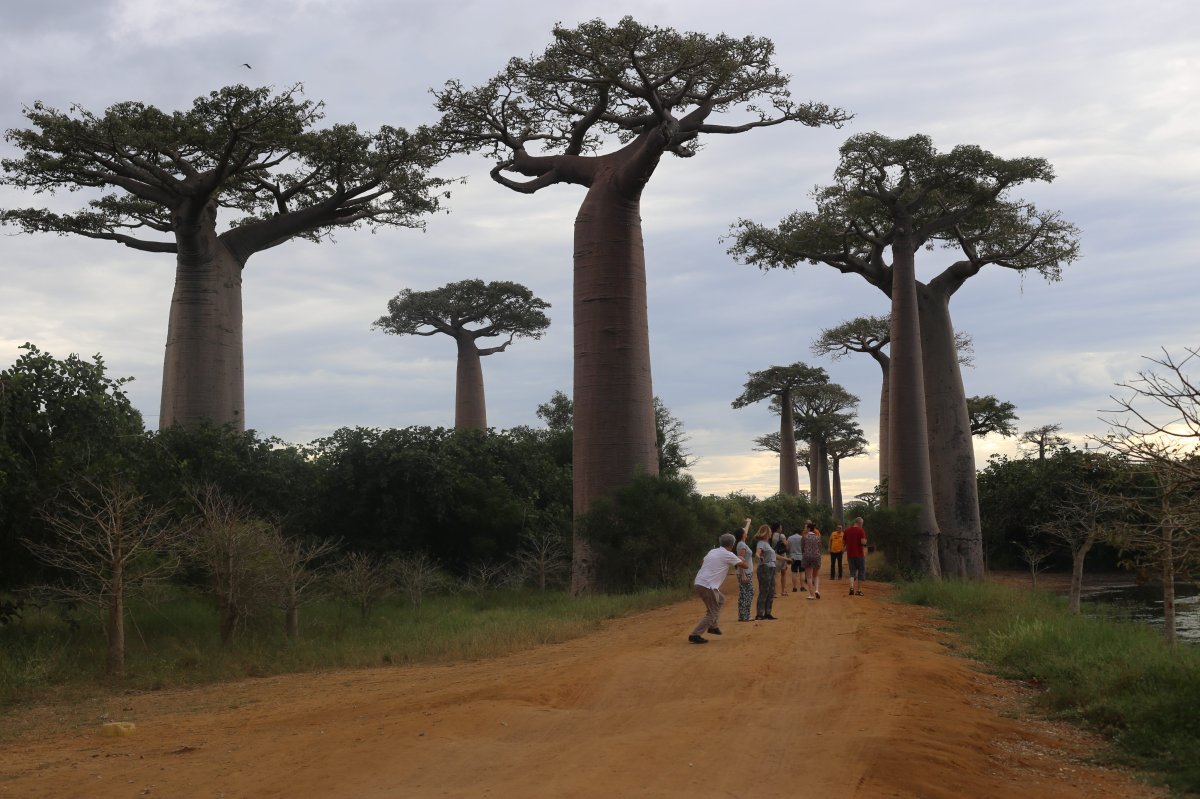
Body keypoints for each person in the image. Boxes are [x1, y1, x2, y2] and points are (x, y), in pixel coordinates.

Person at [688, 531, 750, 644]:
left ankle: (713, 625)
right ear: (732, 544)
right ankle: (695, 634)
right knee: (712, 611)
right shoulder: (729, 554)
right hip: (708, 585)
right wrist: (740, 558)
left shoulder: (713, 551)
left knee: (721, 599)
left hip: (700, 582)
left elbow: (703, 561)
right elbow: (745, 566)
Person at [754, 525, 779, 620]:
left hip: (771, 568)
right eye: (770, 531)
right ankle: (760, 614)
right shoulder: (761, 543)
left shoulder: (767, 543)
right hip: (765, 568)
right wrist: (759, 557)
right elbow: (757, 553)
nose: (771, 533)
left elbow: (774, 555)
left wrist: (786, 558)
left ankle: (768, 612)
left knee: (771, 590)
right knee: (764, 590)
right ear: (766, 532)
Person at [734, 518, 755, 622]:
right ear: (743, 535)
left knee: (744, 593)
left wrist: (748, 522)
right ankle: (745, 616)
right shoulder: (742, 545)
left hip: (744, 572)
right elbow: (740, 560)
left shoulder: (741, 543)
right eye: (745, 532)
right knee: (749, 592)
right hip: (745, 573)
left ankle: (742, 615)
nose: (746, 533)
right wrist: (743, 574)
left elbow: (744, 531)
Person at [844, 516, 868, 596]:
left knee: (852, 572)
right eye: (862, 524)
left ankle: (851, 587)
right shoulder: (861, 530)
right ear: (860, 523)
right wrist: (865, 541)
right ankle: (859, 590)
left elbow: (844, 542)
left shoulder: (847, 530)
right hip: (859, 554)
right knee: (861, 571)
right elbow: (863, 542)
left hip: (850, 554)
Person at [801, 521, 822, 599]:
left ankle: (811, 594)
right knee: (816, 575)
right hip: (816, 557)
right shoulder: (817, 537)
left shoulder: (804, 537)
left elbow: (802, 548)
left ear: (809, 528)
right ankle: (816, 590)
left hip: (807, 557)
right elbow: (820, 547)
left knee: (809, 577)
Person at [771, 522, 789, 595]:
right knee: (783, 573)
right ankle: (783, 591)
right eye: (781, 528)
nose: (781, 529)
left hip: (774, 556)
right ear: (778, 528)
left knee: (775, 575)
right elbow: (786, 544)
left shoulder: (771, 535)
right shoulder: (782, 536)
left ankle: (774, 591)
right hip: (782, 555)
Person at [786, 524, 805, 593]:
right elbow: (804, 548)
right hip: (801, 557)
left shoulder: (789, 538)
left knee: (794, 572)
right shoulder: (802, 537)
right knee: (802, 572)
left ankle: (794, 587)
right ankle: (802, 587)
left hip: (793, 557)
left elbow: (787, 548)